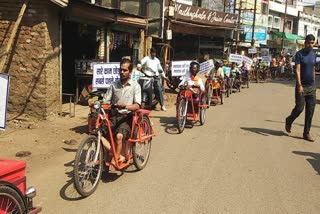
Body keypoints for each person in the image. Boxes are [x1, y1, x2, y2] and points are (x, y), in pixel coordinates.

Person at [101, 58, 141, 165]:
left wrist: (126, 106)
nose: (122, 72)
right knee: (98, 134)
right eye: (121, 70)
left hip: (127, 117)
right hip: (114, 116)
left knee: (119, 136)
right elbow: (106, 101)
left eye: (125, 70)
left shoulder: (135, 86)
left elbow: (137, 105)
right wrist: (98, 104)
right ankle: (116, 154)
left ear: (130, 71)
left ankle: (116, 159)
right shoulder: (114, 85)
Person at [285, 34, 317, 142]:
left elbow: (313, 67)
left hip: (312, 87)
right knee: (299, 108)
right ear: (305, 43)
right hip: (302, 86)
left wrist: (314, 82)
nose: (310, 45)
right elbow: (298, 70)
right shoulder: (299, 54)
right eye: (308, 43)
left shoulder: (314, 54)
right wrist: (299, 85)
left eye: (312, 43)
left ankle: (306, 133)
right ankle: (289, 120)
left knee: (310, 111)